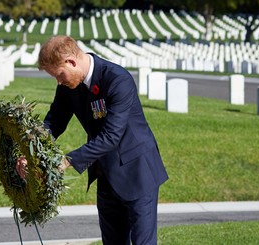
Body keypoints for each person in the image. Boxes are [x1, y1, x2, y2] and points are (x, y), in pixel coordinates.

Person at [17, 35, 169, 245]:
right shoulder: (67, 86)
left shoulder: (117, 79)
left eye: (59, 75)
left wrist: (66, 161)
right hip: (106, 173)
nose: (58, 81)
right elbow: (54, 122)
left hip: (137, 172)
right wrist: (29, 151)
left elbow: (111, 136)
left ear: (71, 61)